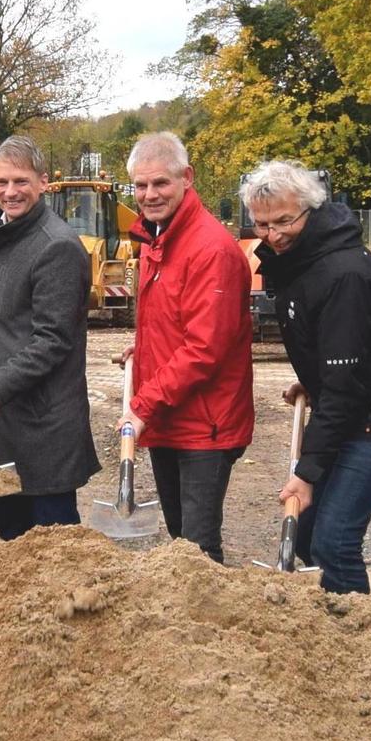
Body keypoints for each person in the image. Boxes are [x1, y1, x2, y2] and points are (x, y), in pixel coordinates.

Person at [240, 161, 371, 593]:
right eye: (262, 224)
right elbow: (339, 355)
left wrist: (305, 475)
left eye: (285, 220)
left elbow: (346, 385)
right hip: (347, 399)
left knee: (334, 539)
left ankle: (354, 641)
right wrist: (316, 379)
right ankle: (330, 617)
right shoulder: (297, 260)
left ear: (312, 209)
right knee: (305, 533)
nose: (273, 235)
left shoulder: (344, 273)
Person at [116, 132, 253, 564]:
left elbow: (204, 350)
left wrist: (142, 406)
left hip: (205, 425)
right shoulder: (159, 239)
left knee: (197, 551)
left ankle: (212, 630)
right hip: (169, 417)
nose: (149, 195)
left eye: (160, 183)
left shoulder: (210, 248)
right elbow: (175, 325)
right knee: (179, 544)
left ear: (187, 178)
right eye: (141, 186)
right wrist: (145, 351)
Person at [0, 136, 99, 539]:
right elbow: (30, 307)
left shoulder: (56, 245)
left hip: (45, 426)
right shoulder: (11, 232)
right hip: (13, 421)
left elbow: (54, 338)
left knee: (52, 551)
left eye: (20, 181)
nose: (10, 191)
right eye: (0, 182)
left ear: (43, 182)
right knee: (13, 546)